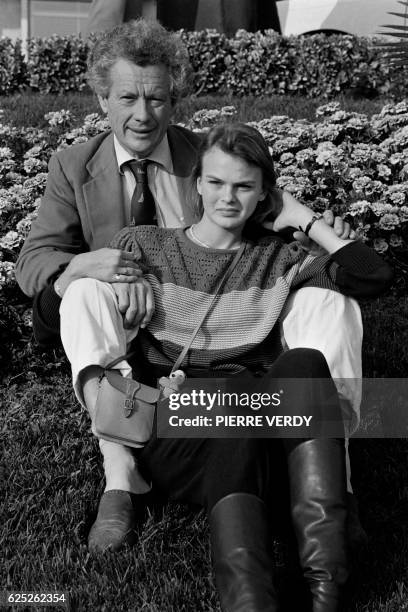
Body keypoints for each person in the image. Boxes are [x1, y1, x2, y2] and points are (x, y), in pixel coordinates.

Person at [15, 19, 362, 555]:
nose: (142, 114)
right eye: (127, 96)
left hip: (218, 315)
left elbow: (264, 202)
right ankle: (121, 471)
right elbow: (34, 260)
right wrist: (94, 266)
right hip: (128, 324)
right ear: (102, 98)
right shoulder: (72, 167)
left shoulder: (207, 158)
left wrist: (312, 223)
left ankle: (333, 468)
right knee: (80, 292)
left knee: (327, 302)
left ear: (174, 100)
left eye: (157, 98)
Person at [59, 123, 392, 611]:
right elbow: (51, 316)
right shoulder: (147, 245)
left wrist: (306, 219)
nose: (228, 198)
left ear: (264, 195)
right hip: (181, 426)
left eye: (243, 186)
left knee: (302, 362)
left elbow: (373, 277)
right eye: (215, 182)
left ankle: (326, 592)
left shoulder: (280, 258)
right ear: (197, 184)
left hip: (252, 417)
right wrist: (76, 272)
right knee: (229, 416)